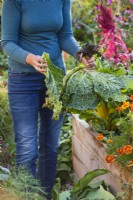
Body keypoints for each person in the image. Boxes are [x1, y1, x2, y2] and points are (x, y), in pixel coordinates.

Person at [1, 0, 89, 199]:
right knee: (27, 148)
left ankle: (45, 196)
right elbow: (7, 43)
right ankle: (25, 196)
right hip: (23, 80)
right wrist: (29, 58)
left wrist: (79, 53)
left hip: (55, 79)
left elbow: (65, 36)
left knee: (50, 146)